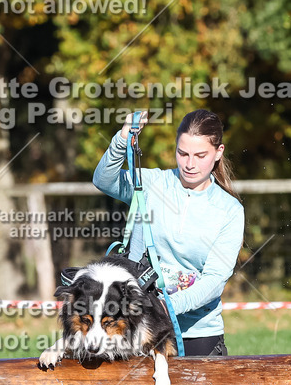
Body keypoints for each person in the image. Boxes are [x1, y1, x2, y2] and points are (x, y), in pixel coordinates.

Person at [93, 109, 244, 356]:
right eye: (182, 153)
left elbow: (214, 280)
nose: (190, 163)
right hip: (140, 329)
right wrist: (122, 138)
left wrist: (166, 306)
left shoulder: (230, 210)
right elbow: (104, 180)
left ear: (219, 152)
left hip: (198, 332)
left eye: (200, 155)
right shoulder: (152, 183)